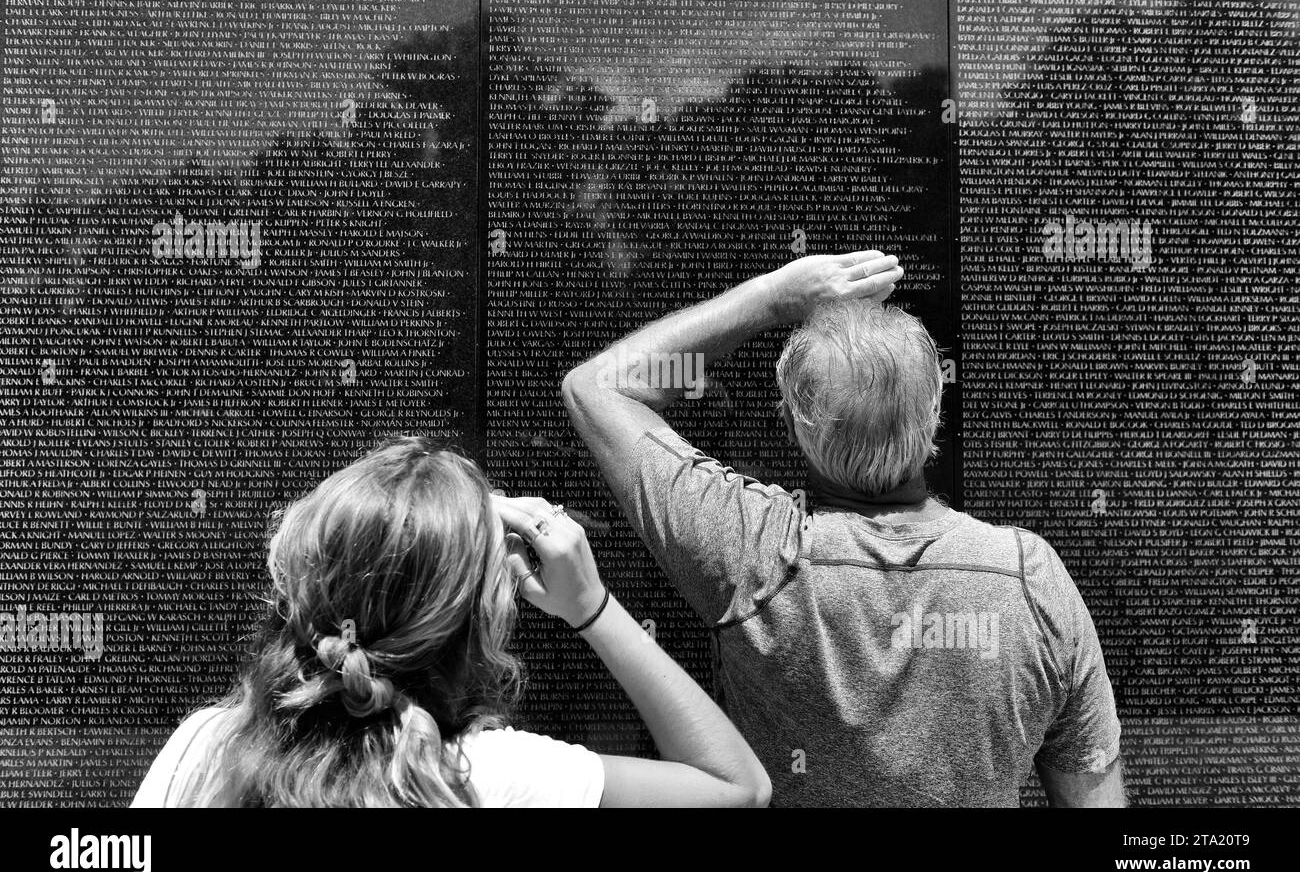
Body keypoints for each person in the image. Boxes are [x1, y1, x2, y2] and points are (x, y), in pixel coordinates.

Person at [563, 249, 1125, 807]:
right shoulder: (1031, 581)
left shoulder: (755, 553)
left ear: (791, 424)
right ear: (934, 415)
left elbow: (597, 388)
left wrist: (775, 297)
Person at [131, 437, 770, 807]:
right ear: (479, 615)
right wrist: (592, 607)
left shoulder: (210, 745)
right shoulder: (487, 776)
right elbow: (736, 786)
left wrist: (428, 525)